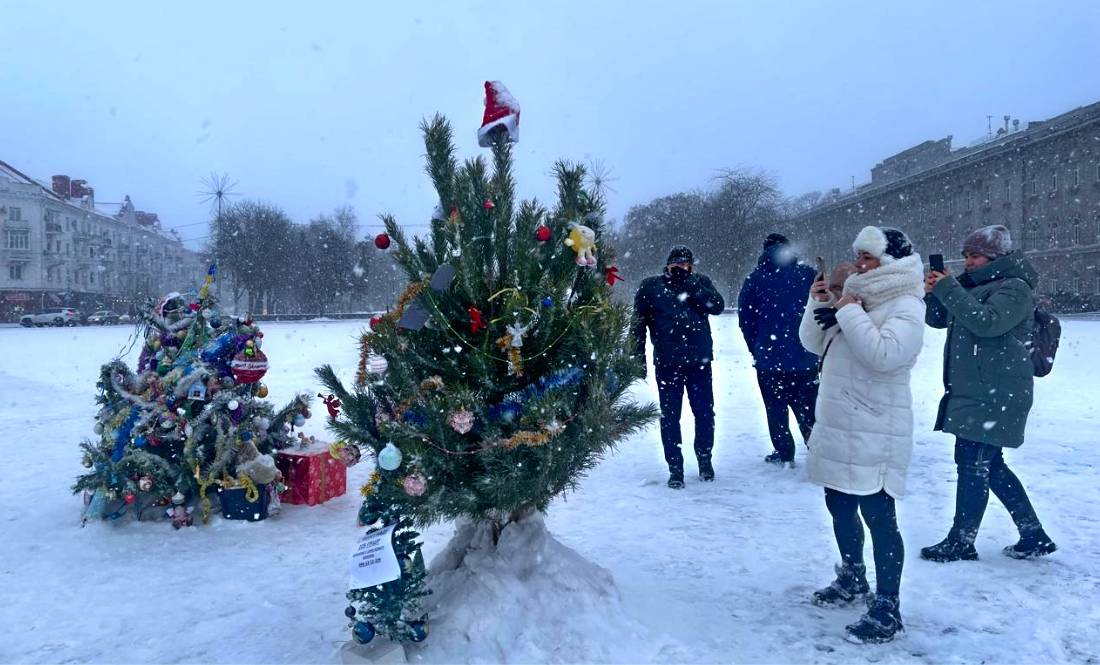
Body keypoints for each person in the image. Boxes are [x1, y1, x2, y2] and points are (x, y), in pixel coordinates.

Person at [798, 226, 925, 644]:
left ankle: (889, 606)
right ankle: (853, 576)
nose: (859, 264)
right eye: (858, 256)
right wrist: (818, 305)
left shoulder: (906, 302)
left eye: (867, 257)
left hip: (876, 426)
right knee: (838, 502)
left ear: (889, 261)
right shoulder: (856, 294)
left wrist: (848, 310)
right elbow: (814, 344)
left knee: (879, 516)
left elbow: (885, 355)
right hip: (838, 420)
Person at [920, 225, 1056, 562]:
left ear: (996, 257)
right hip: (977, 389)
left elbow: (987, 322)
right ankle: (1033, 533)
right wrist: (934, 293)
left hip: (996, 392)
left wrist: (950, 288)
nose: (967, 261)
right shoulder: (974, 286)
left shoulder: (1015, 288)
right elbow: (939, 321)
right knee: (989, 465)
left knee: (972, 465)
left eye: (975, 255)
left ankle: (961, 540)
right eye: (966, 255)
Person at [633, 245, 726, 489]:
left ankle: (705, 460)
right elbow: (637, 325)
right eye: (678, 265)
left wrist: (693, 285)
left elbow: (716, 305)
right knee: (670, 417)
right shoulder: (651, 287)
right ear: (668, 265)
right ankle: (675, 468)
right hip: (667, 363)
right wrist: (636, 359)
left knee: (705, 414)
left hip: (699, 362)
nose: (683, 269)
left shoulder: (700, 282)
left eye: (687, 265)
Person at [737, 233, 819, 467]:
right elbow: (821, 310)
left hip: (769, 360)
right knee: (809, 410)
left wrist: (758, 347)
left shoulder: (755, 278)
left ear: (765, 251)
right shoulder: (808, 275)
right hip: (805, 356)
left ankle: (784, 452)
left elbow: (746, 319)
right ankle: (818, 450)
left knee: (776, 409)